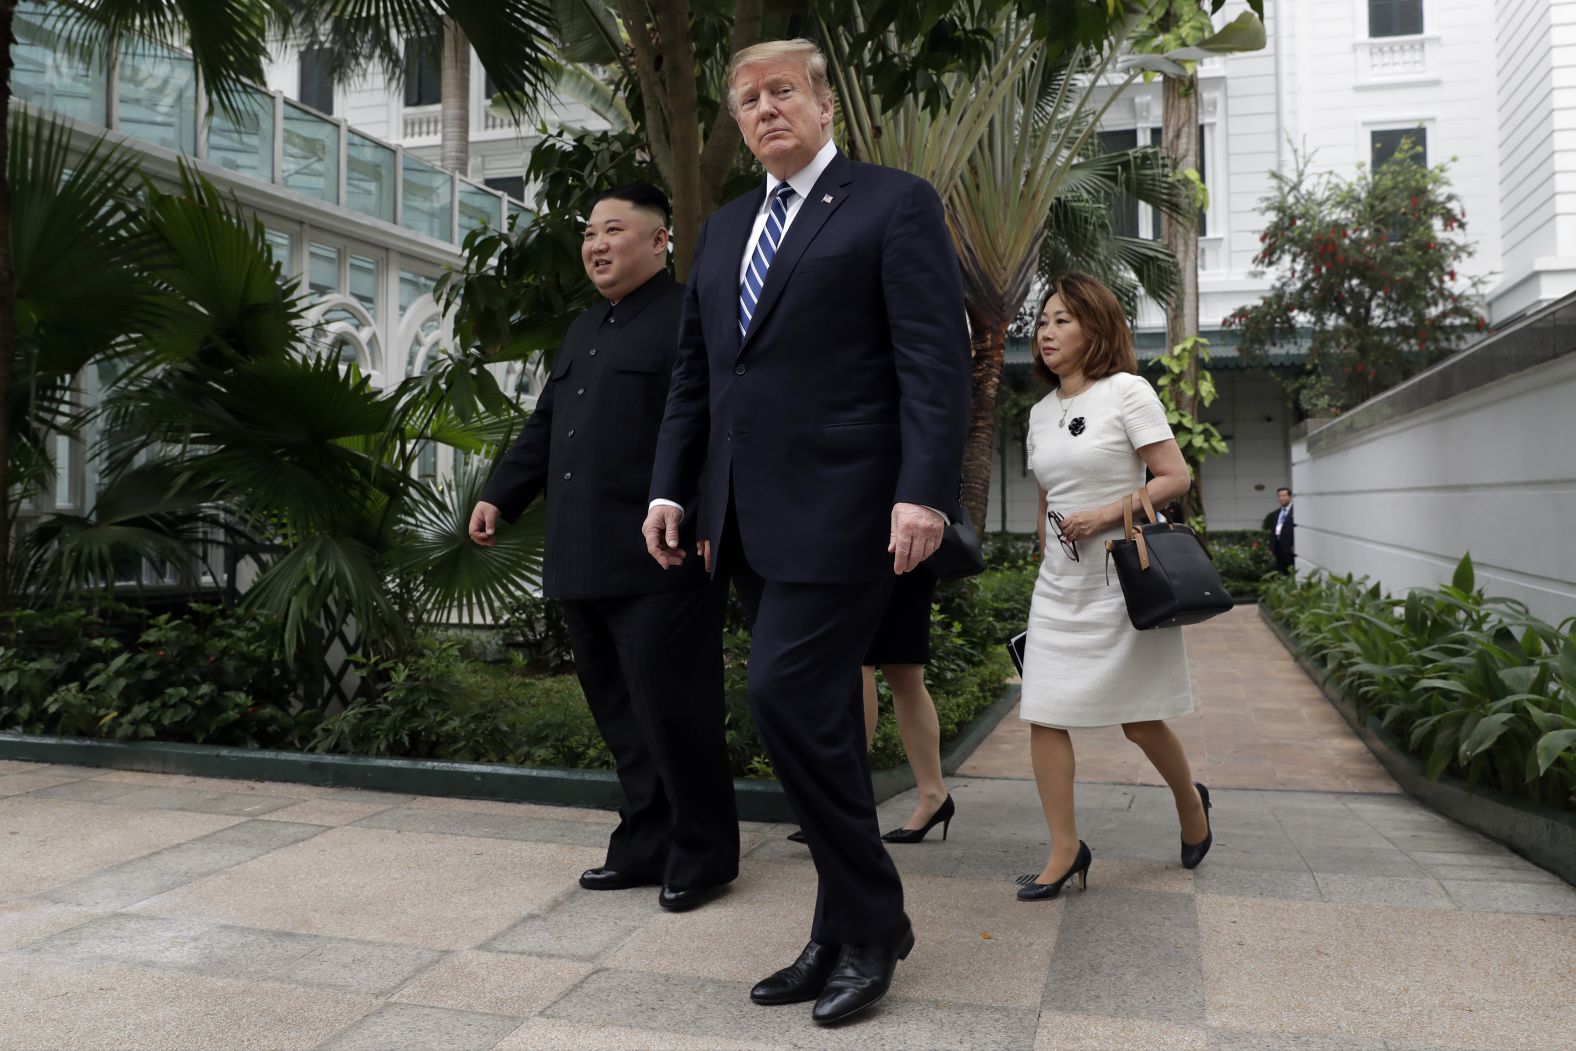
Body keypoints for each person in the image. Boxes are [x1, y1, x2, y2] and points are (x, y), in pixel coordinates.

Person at [640, 38, 970, 1026]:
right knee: (811, 721)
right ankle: (837, 926)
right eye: (746, 99)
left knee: (781, 691)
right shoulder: (728, 226)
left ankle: (871, 920)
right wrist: (671, 490)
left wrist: (925, 490)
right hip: (740, 516)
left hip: (851, 507)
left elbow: (932, 359)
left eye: (781, 90)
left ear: (824, 105)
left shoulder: (891, 202)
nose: (763, 108)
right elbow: (700, 375)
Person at [470, 183, 738, 914]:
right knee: (621, 715)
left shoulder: (694, 314)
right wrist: (501, 493)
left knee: (676, 711)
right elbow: (544, 424)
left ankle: (704, 853)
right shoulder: (584, 326)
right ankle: (645, 842)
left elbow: (715, 429)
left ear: (659, 241)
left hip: (663, 557)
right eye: (589, 232)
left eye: (613, 230)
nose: (595, 244)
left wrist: (708, 519)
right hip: (581, 553)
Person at [1017, 273, 1214, 903]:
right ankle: (1064, 848)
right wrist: (1046, 550)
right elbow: (1047, 499)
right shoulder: (1039, 414)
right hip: (1060, 585)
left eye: (1063, 321)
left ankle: (1191, 805)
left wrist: (1104, 516)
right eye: (1043, 321)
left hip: (1121, 578)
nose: (1047, 332)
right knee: (1044, 713)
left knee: (1138, 719)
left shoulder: (1127, 392)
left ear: (1095, 328)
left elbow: (1174, 477)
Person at [784, 571, 955, 847]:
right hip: (889, 550)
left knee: (869, 661)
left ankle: (844, 804)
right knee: (899, 669)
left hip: (893, 548)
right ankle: (932, 795)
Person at [1268, 487, 1295, 574]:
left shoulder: (1296, 512)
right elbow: (1273, 531)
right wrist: (1271, 547)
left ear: (1290, 497)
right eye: (1279, 496)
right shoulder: (1276, 513)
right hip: (1278, 548)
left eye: (1284, 496)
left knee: (1291, 571)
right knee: (1280, 571)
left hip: (1290, 548)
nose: (1281, 498)